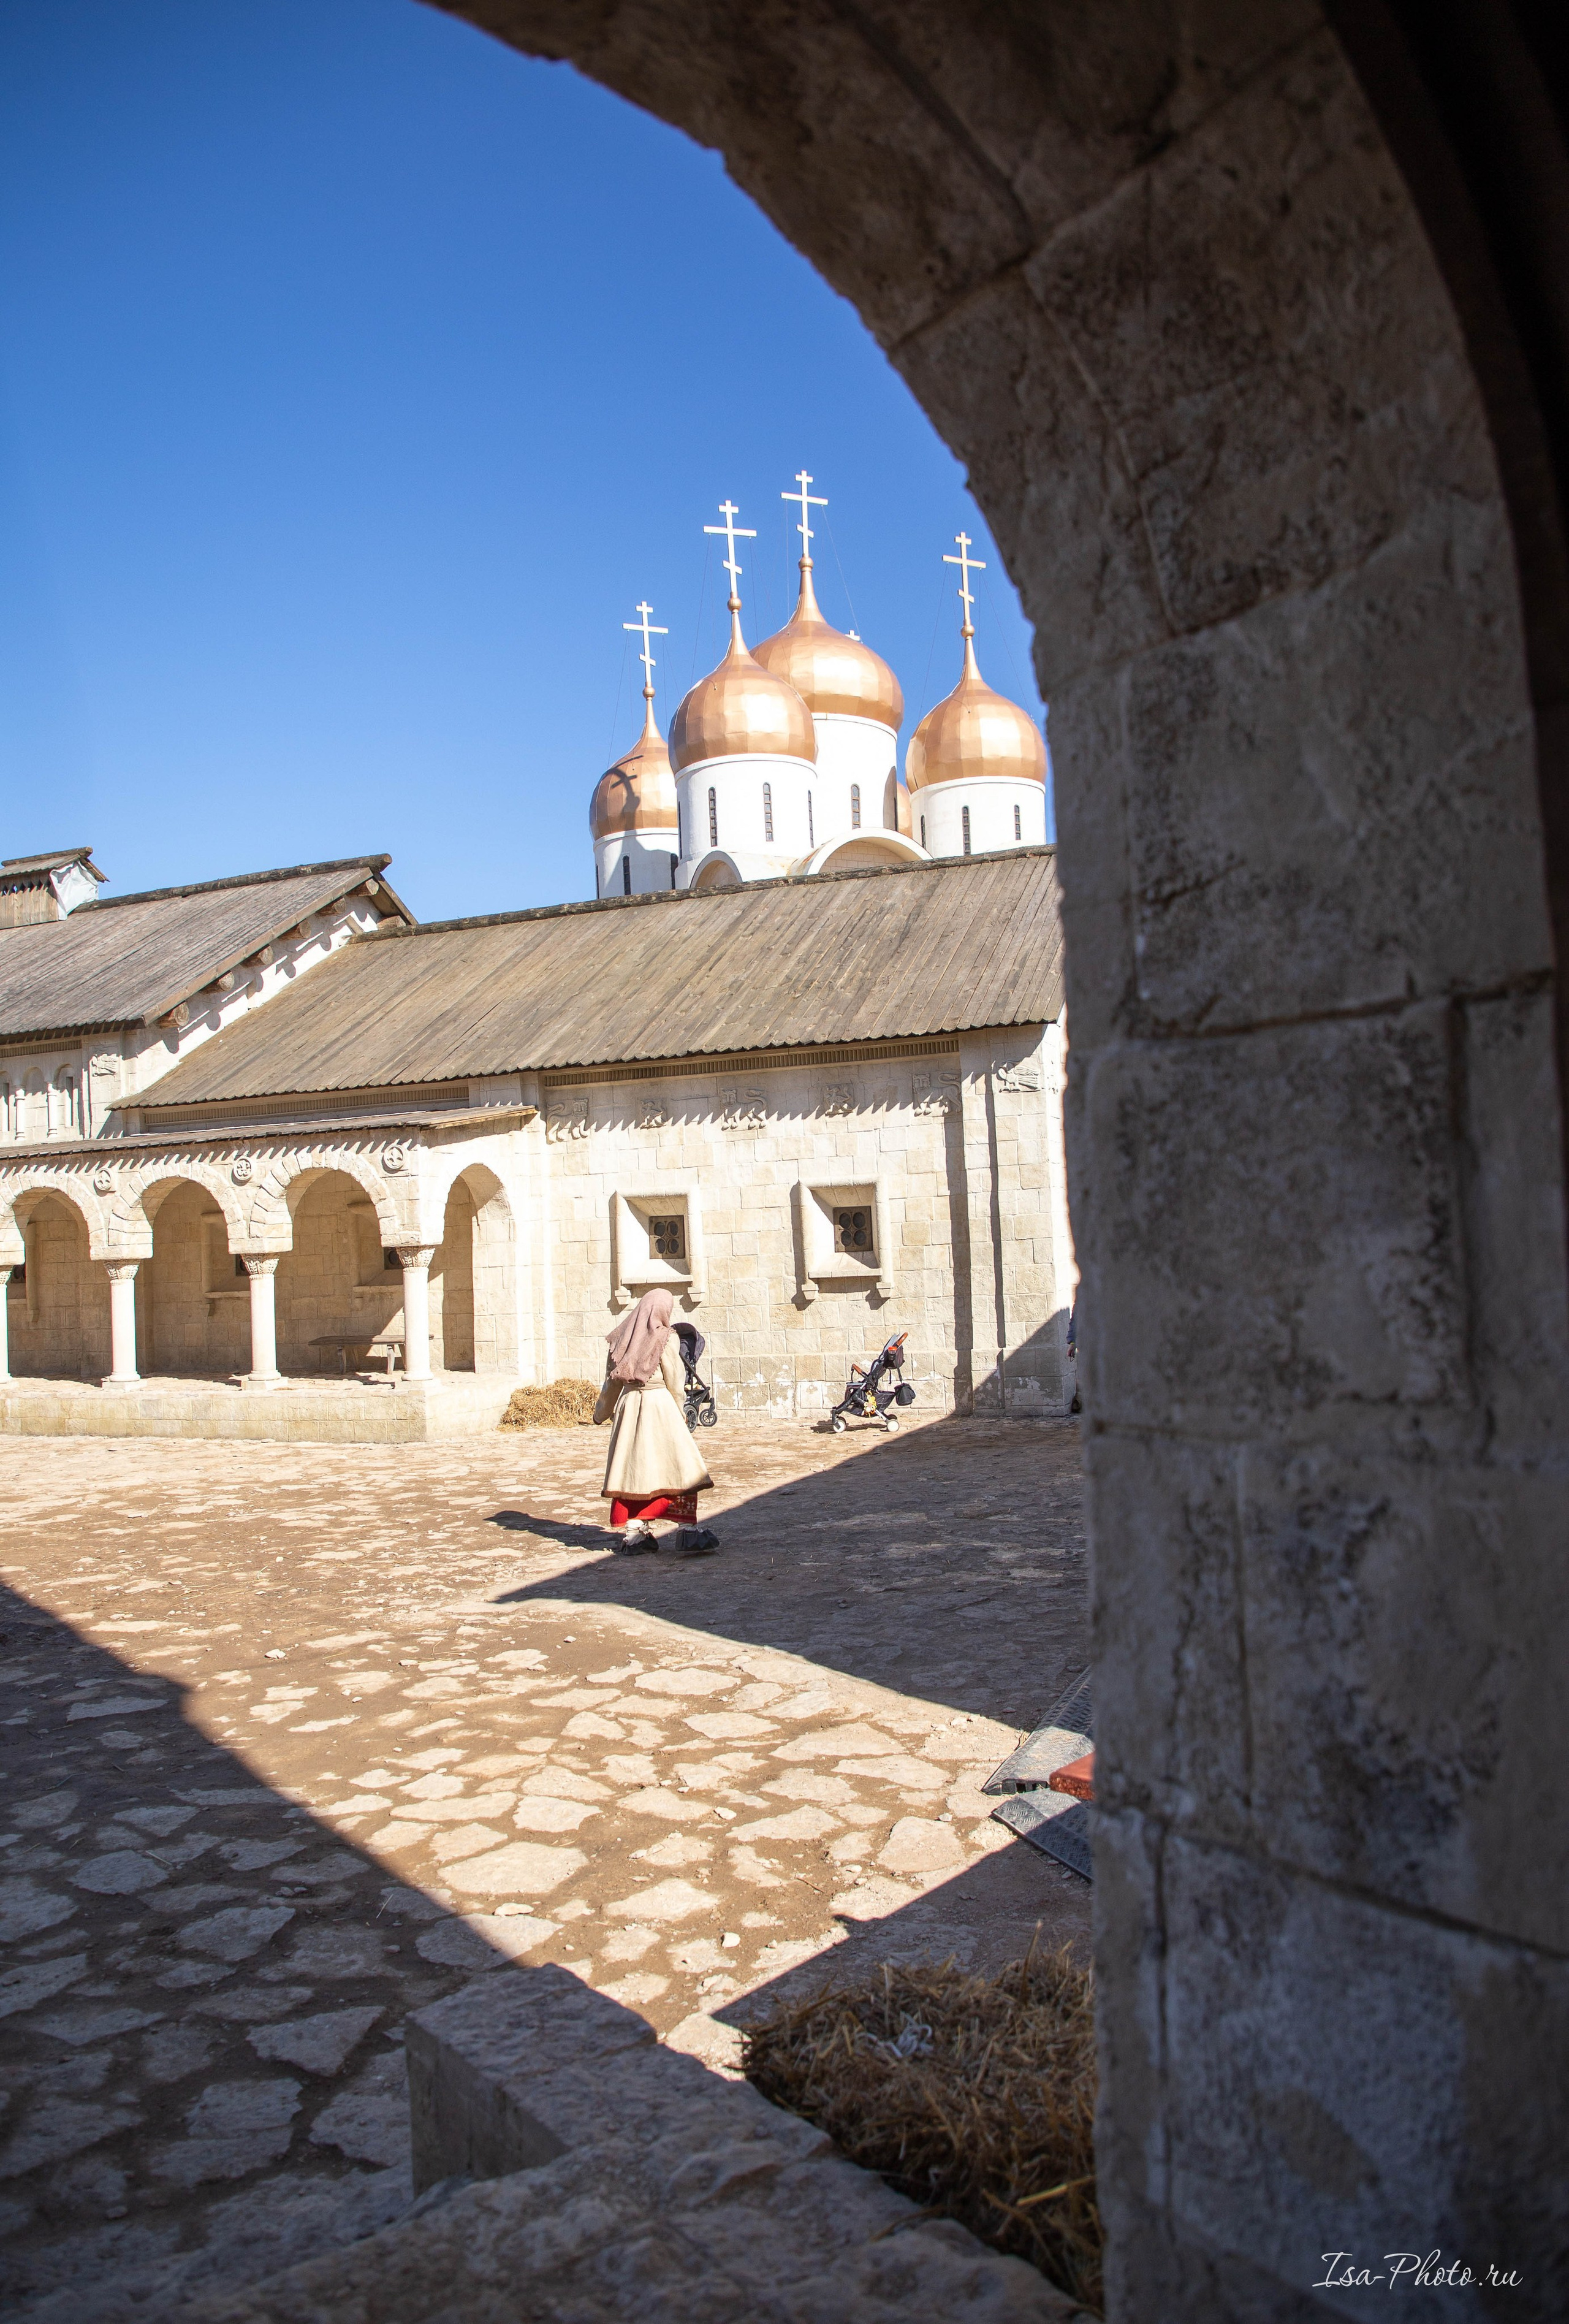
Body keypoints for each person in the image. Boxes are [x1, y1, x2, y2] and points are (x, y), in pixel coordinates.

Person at [595, 1287, 719, 1555]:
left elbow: (611, 1383)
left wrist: (602, 1413)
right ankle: (686, 1532)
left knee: (634, 1469)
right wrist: (680, 1414)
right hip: (659, 1405)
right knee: (679, 1466)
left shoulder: (620, 1338)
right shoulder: (666, 1338)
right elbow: (675, 1381)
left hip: (629, 1407)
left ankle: (635, 1533)